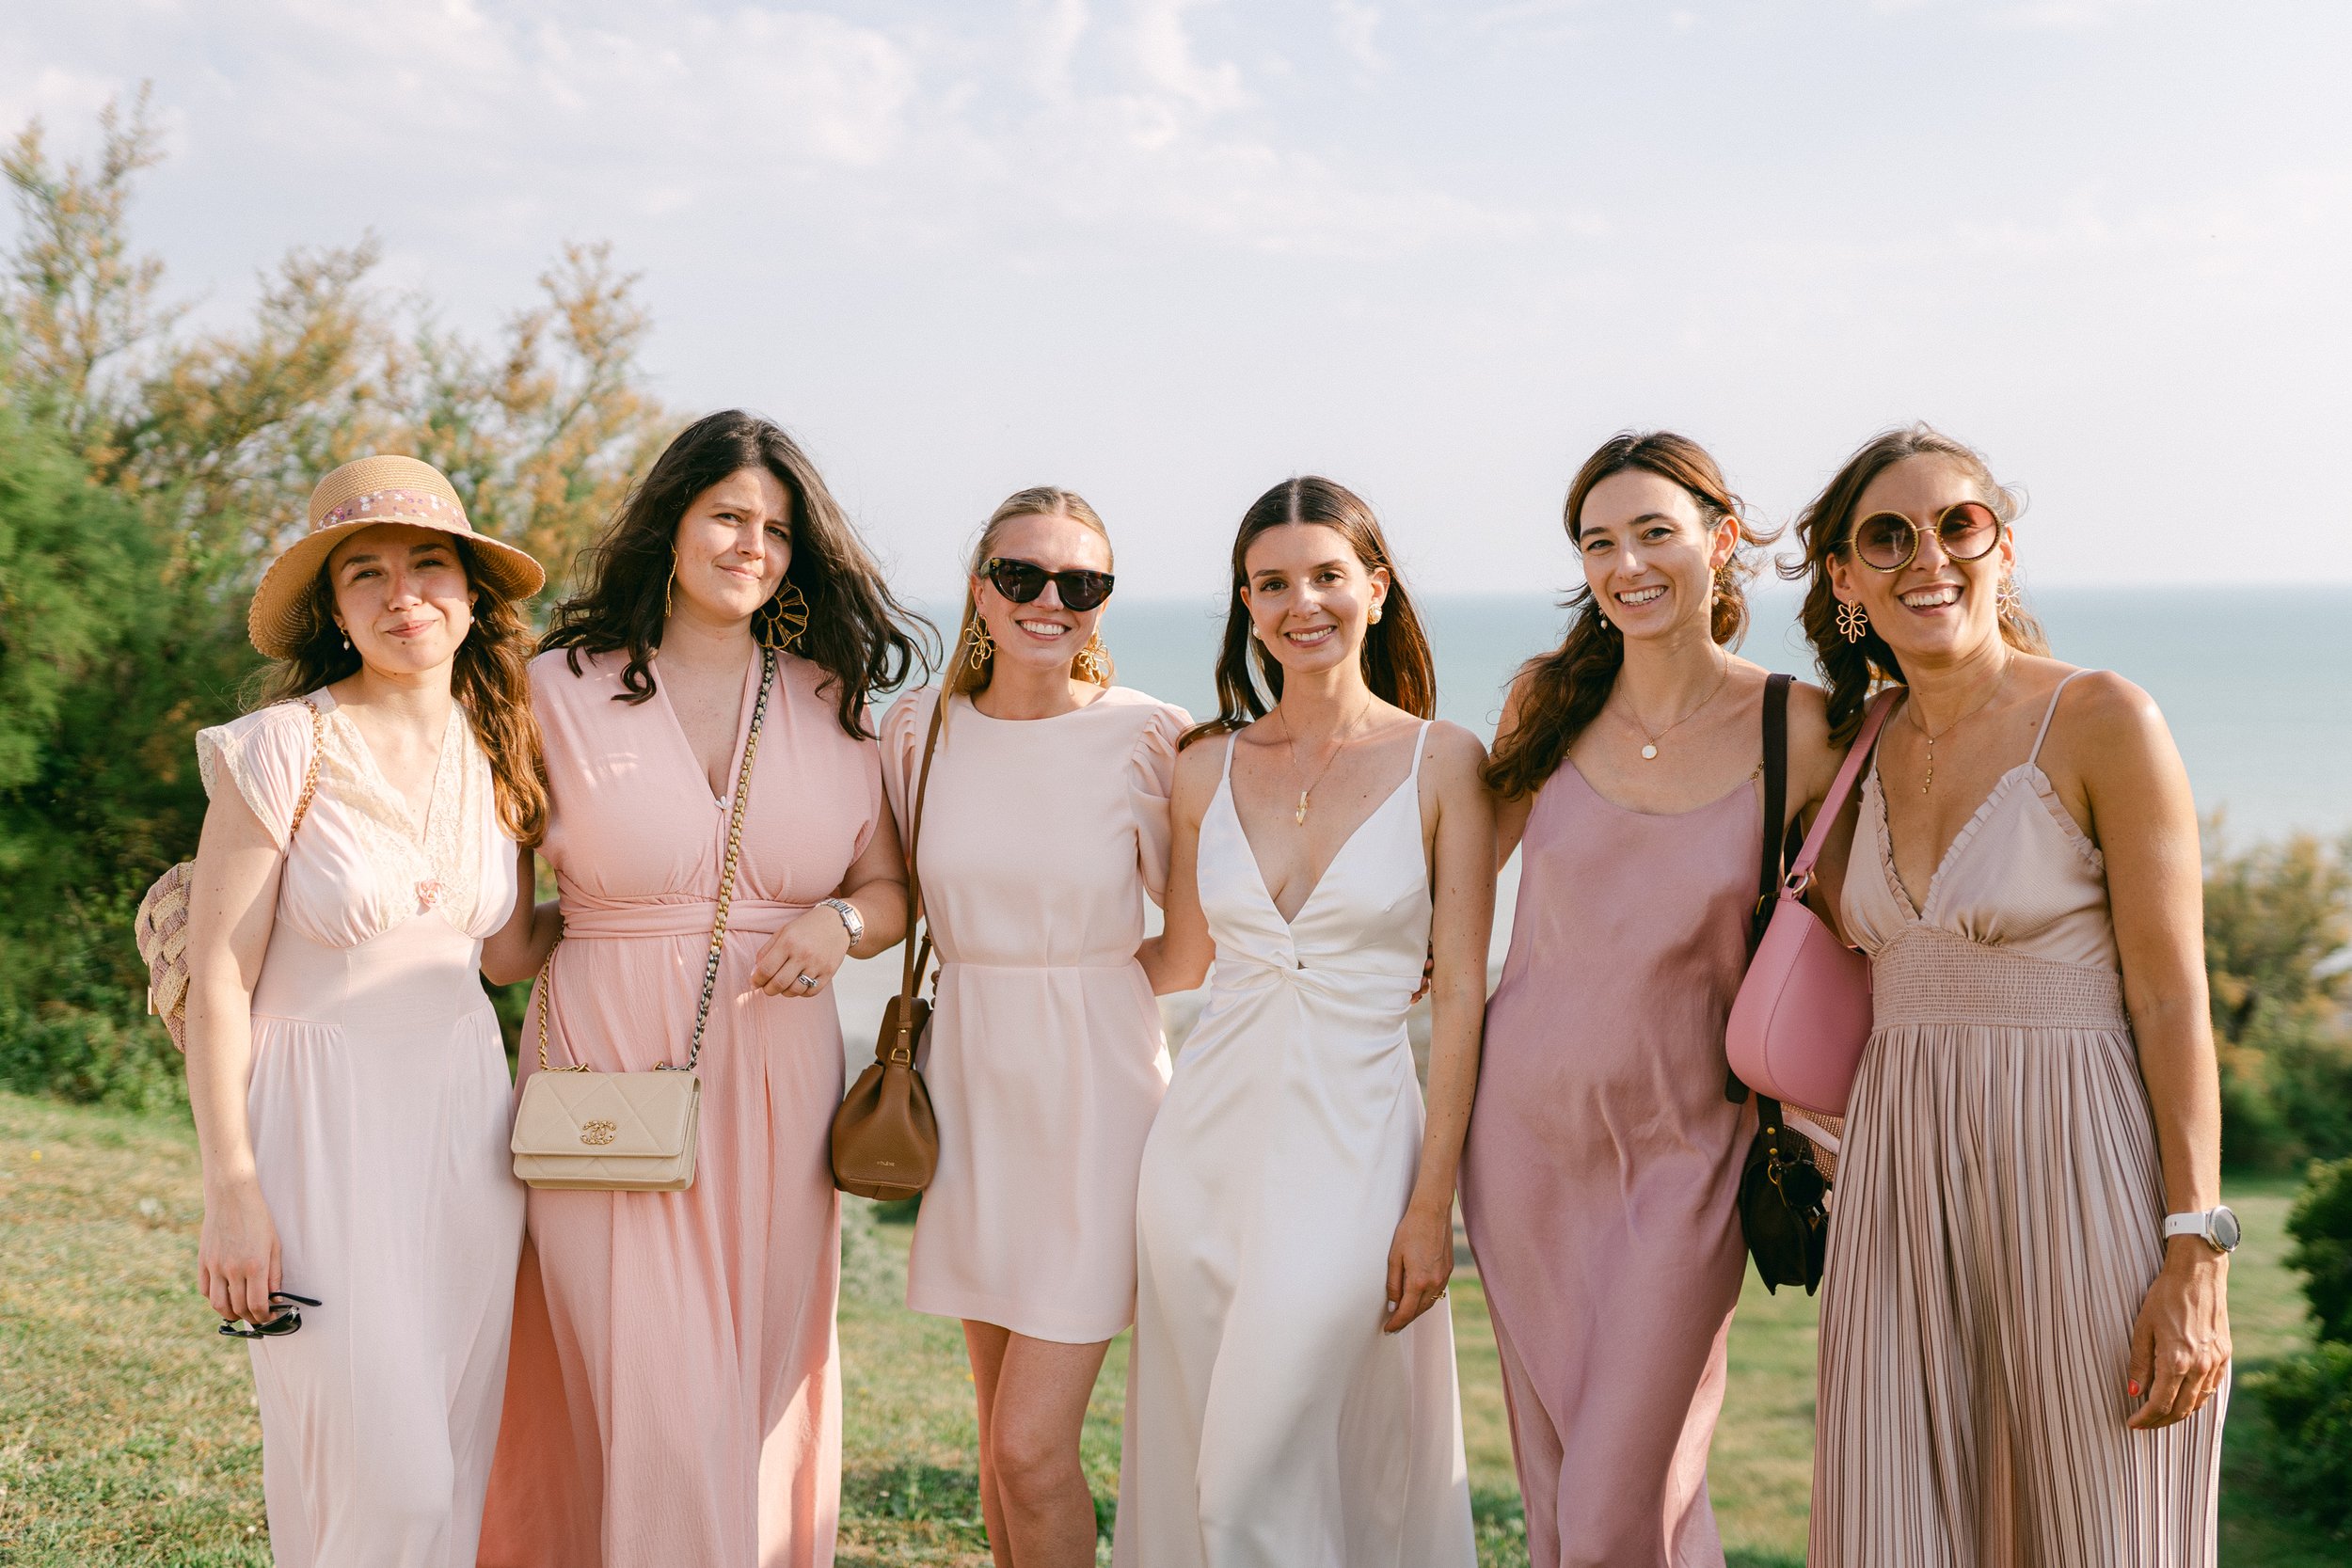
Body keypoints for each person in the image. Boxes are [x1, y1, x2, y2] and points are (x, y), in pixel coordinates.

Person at [477, 410, 925, 1568]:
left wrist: (836, 922)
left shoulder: (834, 700)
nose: (751, 545)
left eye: (776, 529)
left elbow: (889, 892)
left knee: (752, 1389)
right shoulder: (552, 689)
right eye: (728, 515)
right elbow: (499, 935)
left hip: (778, 1088)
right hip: (604, 1072)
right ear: (670, 523)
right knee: (651, 1396)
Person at [1796, 426, 2231, 1565]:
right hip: (1897, 1189)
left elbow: (2172, 998)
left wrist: (2196, 1247)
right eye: (1885, 537)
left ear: (2003, 547)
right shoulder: (1846, 753)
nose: (1927, 557)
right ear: (1843, 577)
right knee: (1889, 1526)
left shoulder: (2103, 718)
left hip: (2081, 1166)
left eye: (1958, 524)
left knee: (2100, 1525)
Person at [1461, 432, 1847, 1567]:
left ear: (1718, 541)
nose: (1625, 564)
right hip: (1521, 1145)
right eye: (1598, 542)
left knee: (1611, 1504)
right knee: (1567, 1497)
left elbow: (1858, 934)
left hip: (1689, 1154)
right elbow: (1452, 893)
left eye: (1652, 533)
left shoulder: (1799, 727)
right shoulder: (1546, 700)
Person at [183, 454, 553, 1566]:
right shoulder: (279, 745)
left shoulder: (503, 748)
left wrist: (662, 912)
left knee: (452, 1471)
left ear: (472, 592)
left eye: (428, 564)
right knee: (393, 1478)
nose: (403, 595)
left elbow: (506, 954)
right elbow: (217, 977)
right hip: (318, 1129)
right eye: (366, 573)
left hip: (466, 1129)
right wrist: (231, 1187)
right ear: (335, 610)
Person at [1114, 476, 1490, 1568]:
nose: (1301, 603)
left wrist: (1432, 1202)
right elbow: (1180, 958)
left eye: (1327, 575)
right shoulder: (1204, 765)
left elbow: (1460, 992)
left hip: (1359, 1152)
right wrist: (1011, 971)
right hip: (1199, 1158)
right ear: (1247, 600)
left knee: (1251, 1484)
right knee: (1204, 1458)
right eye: (1271, 583)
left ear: (1376, 586)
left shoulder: (1443, 761)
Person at [879, 487, 1189, 1568]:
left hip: (1095, 1108)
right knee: (996, 1441)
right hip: (970, 1095)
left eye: (1081, 582)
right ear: (979, 588)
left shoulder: (1147, 735)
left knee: (1029, 1445)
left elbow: (1192, 944)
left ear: (1103, 600)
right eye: (1021, 575)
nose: (1049, 599)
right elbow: (891, 889)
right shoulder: (917, 730)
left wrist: (1078, 991)